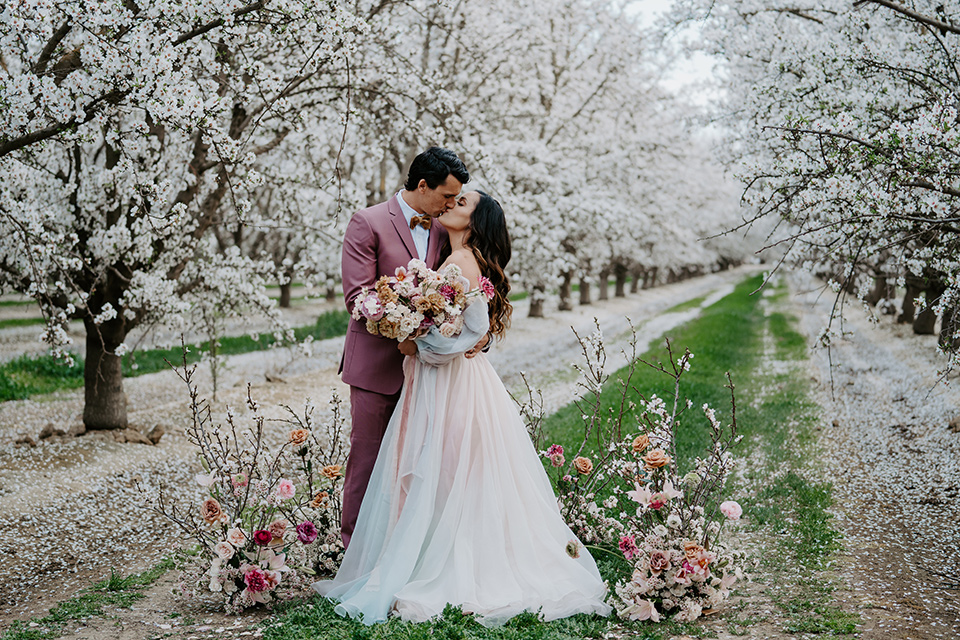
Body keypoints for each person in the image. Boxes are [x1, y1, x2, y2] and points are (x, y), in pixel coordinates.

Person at [315, 191, 611, 626]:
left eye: (464, 201)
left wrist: (413, 343)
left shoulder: (458, 262)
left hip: (448, 382)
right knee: (456, 469)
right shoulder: (457, 255)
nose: (453, 203)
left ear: (477, 220)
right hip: (458, 381)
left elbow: (460, 339)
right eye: (452, 197)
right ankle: (433, 553)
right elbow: (470, 330)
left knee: (445, 468)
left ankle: (439, 563)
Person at [338, 147, 487, 549]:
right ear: (423, 186)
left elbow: (458, 291)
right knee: (368, 461)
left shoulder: (445, 232)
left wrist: (468, 332)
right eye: (446, 196)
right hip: (376, 368)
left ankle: (405, 549)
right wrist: (403, 329)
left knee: (417, 465)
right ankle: (353, 552)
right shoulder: (367, 222)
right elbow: (358, 298)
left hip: (429, 372)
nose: (451, 205)